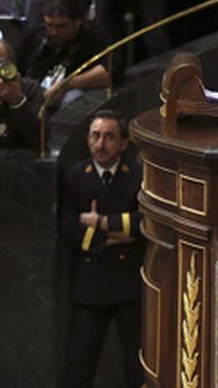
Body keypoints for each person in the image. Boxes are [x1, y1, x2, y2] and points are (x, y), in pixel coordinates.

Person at [59, 110, 143, 388]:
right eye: (95, 136)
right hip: (90, 284)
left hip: (128, 285)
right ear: (87, 139)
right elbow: (68, 227)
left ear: (123, 143)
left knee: (137, 365)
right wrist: (108, 238)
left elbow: (147, 222)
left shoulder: (138, 175)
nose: (101, 143)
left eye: (109, 137)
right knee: (79, 365)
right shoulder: (74, 176)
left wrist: (102, 222)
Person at [21, 0, 114, 109]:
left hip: (68, 93)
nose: (54, 32)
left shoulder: (94, 37)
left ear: (77, 21)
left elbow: (108, 72)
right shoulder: (37, 34)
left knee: (73, 98)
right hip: (36, 89)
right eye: (50, 25)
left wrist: (68, 84)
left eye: (61, 26)